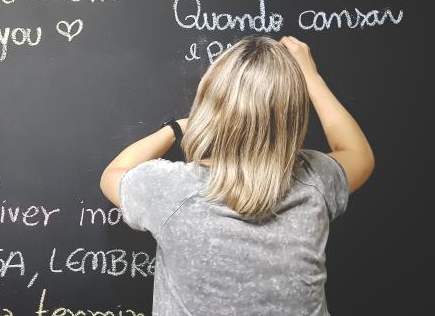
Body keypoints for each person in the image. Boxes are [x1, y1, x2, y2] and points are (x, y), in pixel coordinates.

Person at [99, 35, 375, 316]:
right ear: (293, 114)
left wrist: (175, 129)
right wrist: (311, 76)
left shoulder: (173, 189)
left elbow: (113, 174)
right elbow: (357, 153)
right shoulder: (314, 180)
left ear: (209, 101)